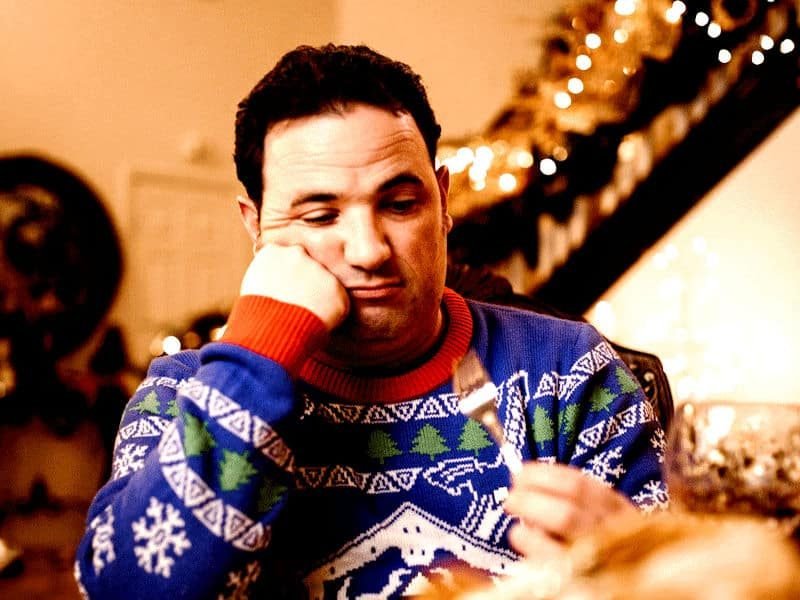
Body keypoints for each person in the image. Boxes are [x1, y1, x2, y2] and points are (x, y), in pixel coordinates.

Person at [74, 44, 668, 599]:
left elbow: (686, 580)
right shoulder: (183, 392)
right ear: (255, 226)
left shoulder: (568, 370)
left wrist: (641, 568)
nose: (368, 250)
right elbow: (126, 590)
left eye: (400, 204)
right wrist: (254, 355)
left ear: (442, 203)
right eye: (320, 213)